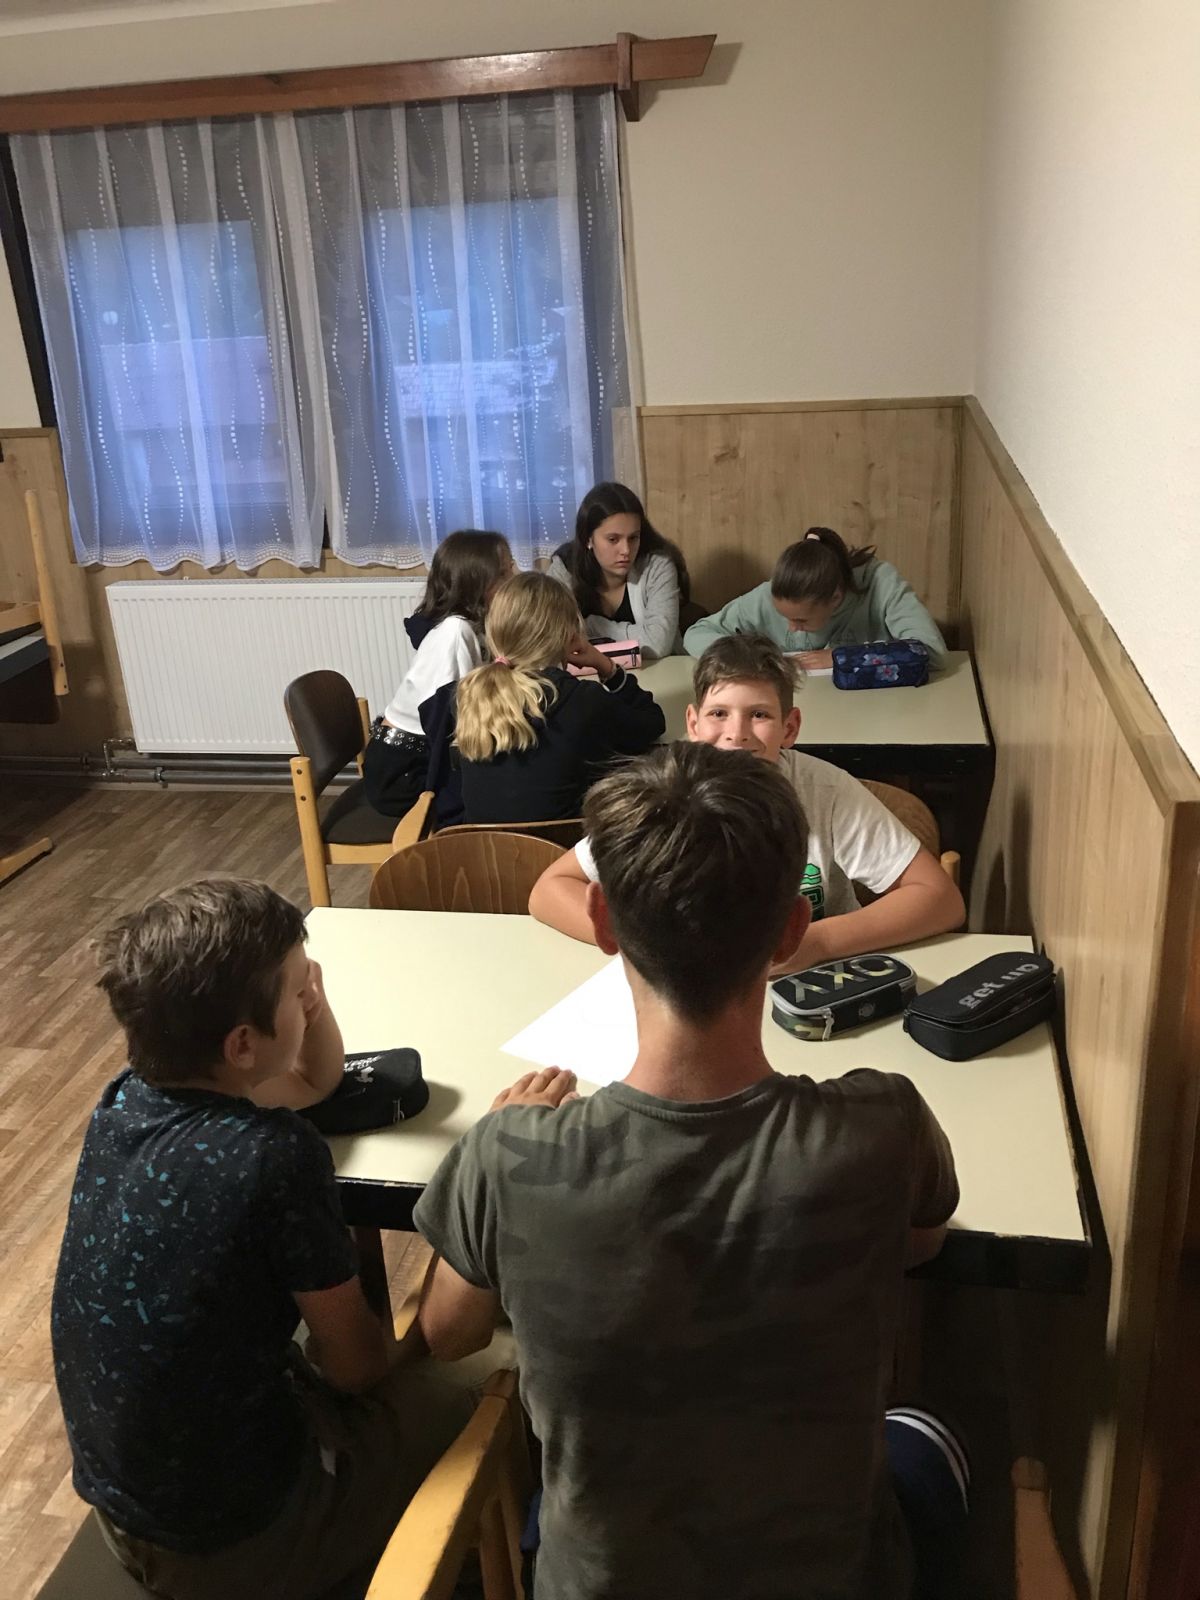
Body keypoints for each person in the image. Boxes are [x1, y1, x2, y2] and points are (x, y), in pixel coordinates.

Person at [415, 742, 969, 1600]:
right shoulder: (884, 1127)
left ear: (602, 921)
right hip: (833, 1580)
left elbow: (446, 1335)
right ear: (791, 929)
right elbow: (922, 1244)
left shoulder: (509, 1156)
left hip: (600, 1581)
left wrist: (495, 1148)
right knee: (926, 1436)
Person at [52, 879, 505, 1600]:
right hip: (239, 1546)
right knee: (500, 1367)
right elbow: (357, 1370)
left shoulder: (127, 1097)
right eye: (300, 988)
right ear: (241, 1044)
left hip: (134, 1513)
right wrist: (429, 1321)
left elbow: (316, 1082)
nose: (313, 989)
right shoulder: (273, 1155)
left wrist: (304, 1004)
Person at [530, 633, 964, 965]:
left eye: (759, 715)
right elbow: (550, 889)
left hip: (803, 984)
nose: (736, 734)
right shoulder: (666, 790)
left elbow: (940, 898)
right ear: (694, 724)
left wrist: (818, 942)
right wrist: (643, 944)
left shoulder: (826, 794)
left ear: (790, 728)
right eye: (719, 714)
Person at [455, 570, 665, 824]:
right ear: (569, 635)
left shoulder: (470, 696)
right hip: (563, 847)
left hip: (481, 848)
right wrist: (605, 666)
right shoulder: (583, 701)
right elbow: (652, 723)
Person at [363, 529, 514, 824]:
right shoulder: (455, 633)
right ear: (476, 583)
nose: (514, 580)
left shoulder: (469, 626)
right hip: (403, 776)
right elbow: (447, 723)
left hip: (412, 761)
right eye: (504, 574)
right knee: (505, 792)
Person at [683, 526, 946, 668]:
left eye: (801, 620)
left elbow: (931, 652)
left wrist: (844, 657)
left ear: (835, 597)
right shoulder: (769, 596)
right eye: (784, 616)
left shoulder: (880, 583)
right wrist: (750, 658)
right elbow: (696, 634)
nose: (791, 627)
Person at [548, 481, 689, 661]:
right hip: (584, 675)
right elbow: (552, 638)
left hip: (659, 671)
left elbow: (657, 644)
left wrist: (592, 625)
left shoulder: (657, 565)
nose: (626, 550)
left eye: (633, 538)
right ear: (588, 539)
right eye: (613, 539)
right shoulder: (564, 569)